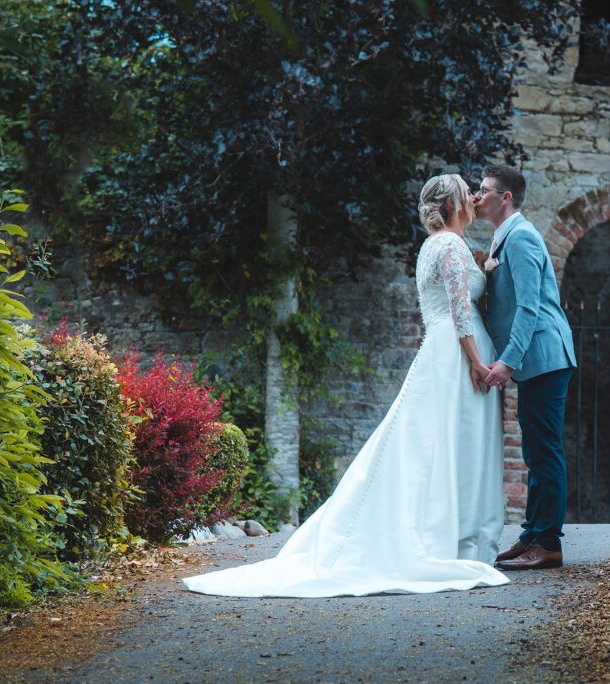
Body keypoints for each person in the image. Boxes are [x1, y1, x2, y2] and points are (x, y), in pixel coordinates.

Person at [183, 174, 508, 597]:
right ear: (452, 204)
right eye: (466, 191)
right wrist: (478, 362)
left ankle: (459, 535)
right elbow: (461, 310)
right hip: (455, 354)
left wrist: (484, 268)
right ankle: (453, 538)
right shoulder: (447, 244)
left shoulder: (443, 244)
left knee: (441, 443)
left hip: (446, 350)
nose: (473, 194)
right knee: (448, 443)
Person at [474, 165, 576, 571]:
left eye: (483, 190)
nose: (476, 196)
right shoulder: (506, 238)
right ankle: (532, 534)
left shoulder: (522, 238)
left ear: (506, 198)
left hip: (545, 358)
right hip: (536, 362)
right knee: (534, 449)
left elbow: (529, 308)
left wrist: (506, 361)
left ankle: (549, 543)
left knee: (544, 450)